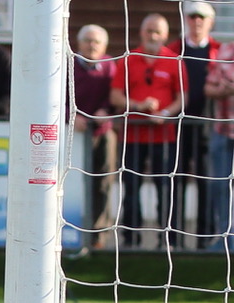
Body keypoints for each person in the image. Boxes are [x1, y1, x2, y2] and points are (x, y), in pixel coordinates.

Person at [111, 13, 186, 249]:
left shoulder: (174, 60)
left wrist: (164, 113)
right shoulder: (128, 59)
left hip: (164, 136)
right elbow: (115, 96)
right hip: (132, 136)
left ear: (165, 35)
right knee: (131, 187)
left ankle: (169, 241)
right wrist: (138, 106)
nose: (153, 35)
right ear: (141, 33)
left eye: (157, 31)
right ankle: (131, 240)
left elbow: (182, 98)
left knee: (165, 188)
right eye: (149, 30)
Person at [165, 1, 219, 245]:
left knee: (206, 180)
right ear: (186, 20)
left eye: (202, 17)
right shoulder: (173, 51)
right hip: (176, 127)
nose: (197, 21)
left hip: (208, 126)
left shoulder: (220, 51)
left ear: (210, 22)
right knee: (175, 179)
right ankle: (173, 238)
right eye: (192, 16)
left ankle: (204, 238)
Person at [72, 24, 118, 251]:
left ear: (104, 46)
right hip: (73, 133)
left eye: (96, 42)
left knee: (103, 182)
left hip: (102, 132)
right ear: (79, 43)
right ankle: (71, 231)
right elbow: (56, 97)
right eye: (88, 41)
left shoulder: (110, 66)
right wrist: (71, 115)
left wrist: (106, 110)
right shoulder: (67, 65)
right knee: (72, 182)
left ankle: (99, 235)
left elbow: (117, 96)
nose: (92, 45)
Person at [206, 32, 234, 249]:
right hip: (222, 130)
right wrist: (222, 91)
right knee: (221, 186)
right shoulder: (224, 51)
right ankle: (226, 237)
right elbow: (208, 87)